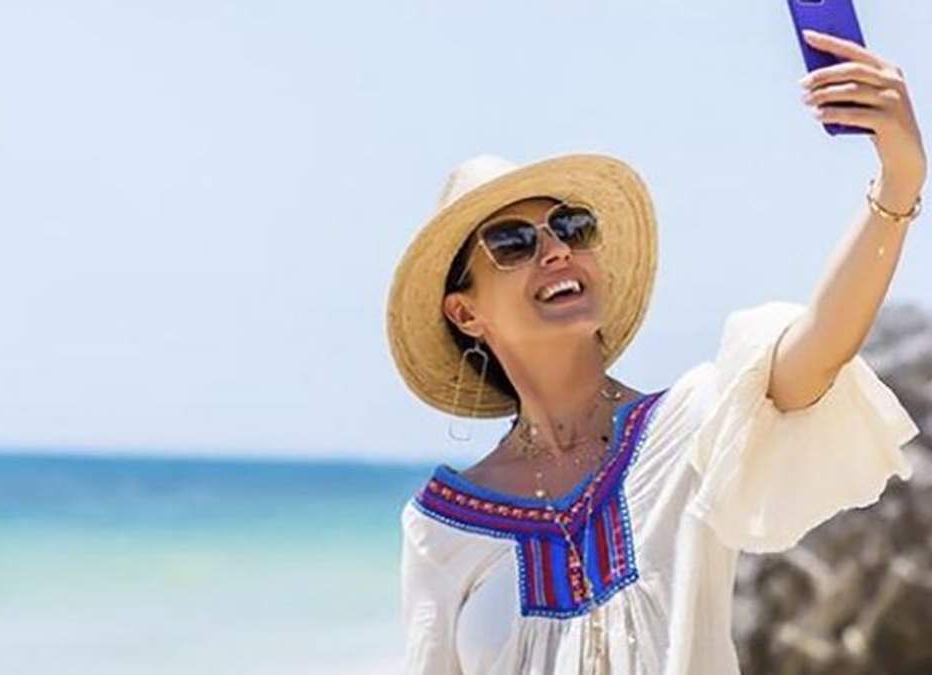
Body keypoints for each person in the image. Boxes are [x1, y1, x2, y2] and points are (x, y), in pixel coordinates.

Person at [383, 31, 925, 674]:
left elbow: (821, 346)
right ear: (465, 313)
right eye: (512, 242)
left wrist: (899, 180)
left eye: (572, 227)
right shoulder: (441, 529)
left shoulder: (691, 423)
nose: (555, 250)